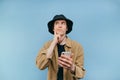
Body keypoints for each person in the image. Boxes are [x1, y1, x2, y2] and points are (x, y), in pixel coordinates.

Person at [36, 14, 85, 80]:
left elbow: (81, 74)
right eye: (57, 23)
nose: (60, 26)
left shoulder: (77, 46)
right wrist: (53, 43)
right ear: (53, 28)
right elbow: (40, 66)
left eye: (63, 23)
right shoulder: (47, 45)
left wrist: (72, 67)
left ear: (66, 28)